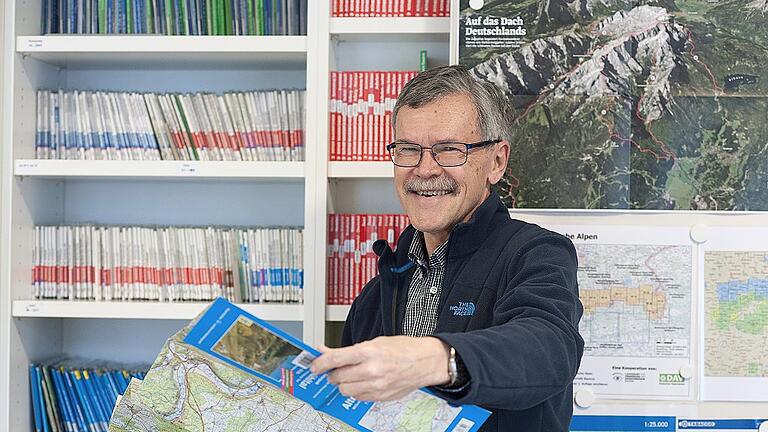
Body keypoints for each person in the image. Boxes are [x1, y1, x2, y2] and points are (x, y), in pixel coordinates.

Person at [311, 65, 584, 431]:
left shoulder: (536, 253)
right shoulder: (375, 296)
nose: (425, 170)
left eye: (449, 150)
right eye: (409, 150)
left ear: (497, 162)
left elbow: (549, 350)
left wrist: (435, 360)